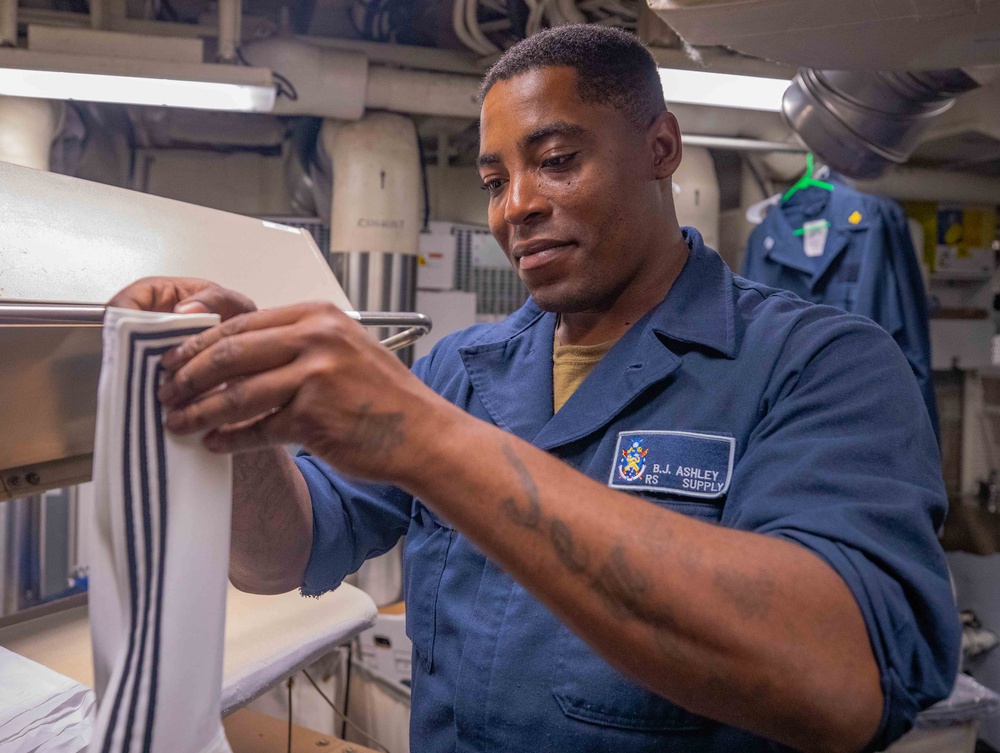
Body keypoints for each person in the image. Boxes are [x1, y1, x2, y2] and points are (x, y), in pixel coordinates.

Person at [110, 25, 959, 753]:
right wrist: (249, 426)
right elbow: (280, 555)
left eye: (556, 161)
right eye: (493, 180)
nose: (516, 206)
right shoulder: (462, 370)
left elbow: (843, 680)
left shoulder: (819, 364)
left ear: (660, 149)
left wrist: (425, 440)